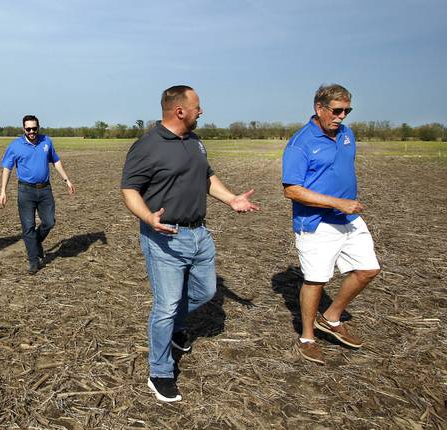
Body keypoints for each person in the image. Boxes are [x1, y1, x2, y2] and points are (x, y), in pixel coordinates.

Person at [120, 85, 258, 402]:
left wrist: (232, 199)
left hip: (199, 234)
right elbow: (129, 189)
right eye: (197, 106)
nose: (202, 111)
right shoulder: (147, 146)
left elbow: (207, 178)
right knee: (166, 306)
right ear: (180, 111)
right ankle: (160, 372)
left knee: (205, 292)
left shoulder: (195, 142)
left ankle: (175, 328)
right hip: (164, 236)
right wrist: (148, 218)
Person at [282, 84, 380, 365]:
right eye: (337, 110)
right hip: (316, 223)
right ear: (319, 108)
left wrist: (344, 205)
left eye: (347, 111)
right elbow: (292, 190)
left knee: (369, 269)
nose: (342, 116)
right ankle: (307, 338)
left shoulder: (348, 135)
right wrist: (337, 202)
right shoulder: (301, 142)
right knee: (316, 280)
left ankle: (332, 317)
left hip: (349, 219)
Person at [0, 115, 75, 274]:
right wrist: (3, 191)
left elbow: (56, 161)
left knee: (49, 222)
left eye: (34, 128)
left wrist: (67, 180)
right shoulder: (15, 146)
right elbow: (7, 168)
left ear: (38, 127)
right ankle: (33, 261)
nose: (32, 131)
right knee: (28, 227)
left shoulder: (46, 141)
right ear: (23, 129)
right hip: (25, 191)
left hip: (45, 189)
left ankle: (35, 242)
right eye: (28, 129)